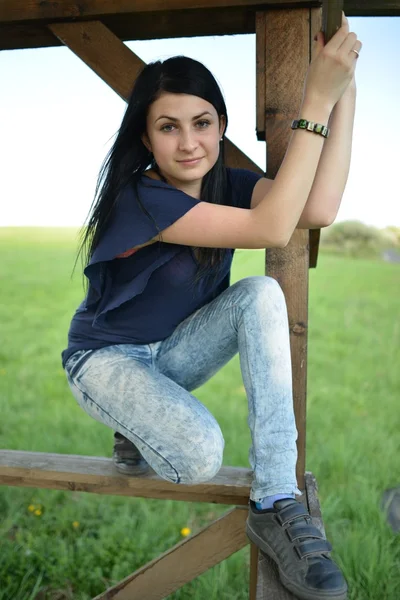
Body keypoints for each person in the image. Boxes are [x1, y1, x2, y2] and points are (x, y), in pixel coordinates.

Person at [62, 12, 361, 600]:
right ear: (146, 139)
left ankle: (276, 500)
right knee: (198, 458)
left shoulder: (229, 183)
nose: (188, 142)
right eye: (168, 128)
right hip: (105, 361)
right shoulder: (142, 196)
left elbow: (318, 208)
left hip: (169, 356)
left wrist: (341, 93)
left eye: (201, 123)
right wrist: (316, 102)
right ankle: (134, 423)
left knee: (259, 292)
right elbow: (274, 228)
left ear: (220, 125)